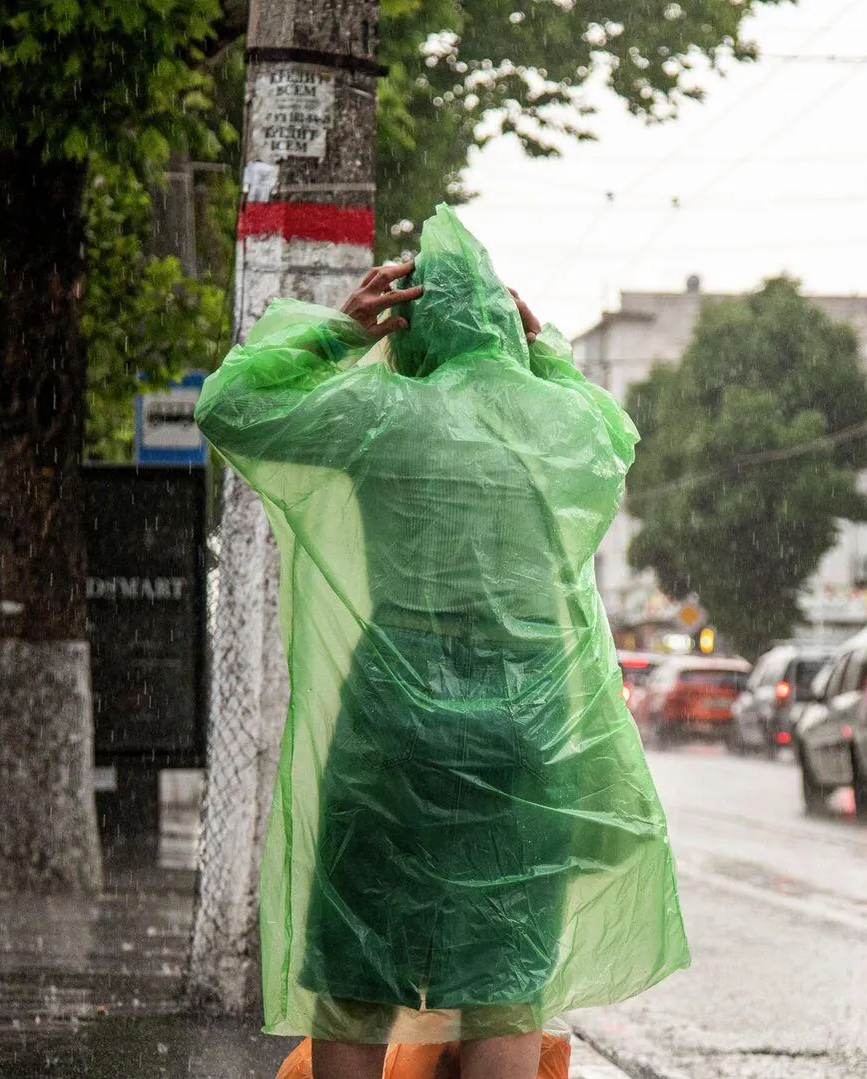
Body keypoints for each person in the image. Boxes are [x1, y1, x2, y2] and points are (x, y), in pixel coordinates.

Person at [196, 207, 690, 1079]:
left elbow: (229, 408)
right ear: (502, 322)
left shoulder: (383, 415)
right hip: (528, 732)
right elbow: (616, 432)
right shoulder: (557, 431)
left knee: (355, 975)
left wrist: (336, 336)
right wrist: (541, 354)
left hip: (394, 728)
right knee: (502, 983)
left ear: (411, 328)